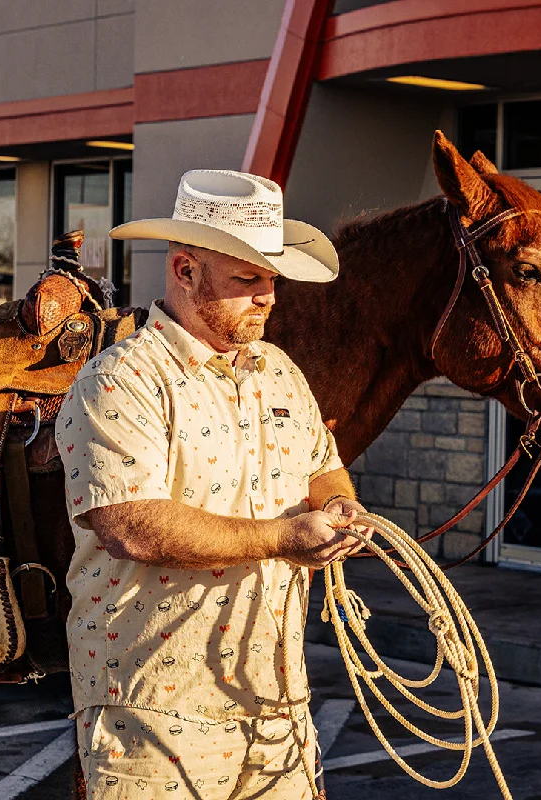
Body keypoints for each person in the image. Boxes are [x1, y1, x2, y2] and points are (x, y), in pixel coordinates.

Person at [55, 169, 370, 799]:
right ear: (185, 272)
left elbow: (321, 465)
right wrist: (284, 538)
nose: (268, 297)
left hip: (279, 704)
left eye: (272, 280)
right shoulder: (122, 380)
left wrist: (339, 508)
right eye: (247, 280)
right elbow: (132, 526)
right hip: (151, 714)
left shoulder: (279, 372)